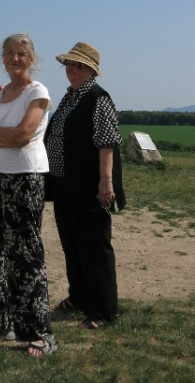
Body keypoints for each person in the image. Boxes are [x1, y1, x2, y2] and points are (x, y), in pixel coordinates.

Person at [0, 33, 57, 357]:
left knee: (26, 255)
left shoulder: (37, 92)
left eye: (21, 53)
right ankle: (1, 324)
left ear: (31, 59)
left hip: (27, 179)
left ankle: (41, 332)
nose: (15, 59)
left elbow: (25, 135)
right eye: (9, 53)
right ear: (3, 58)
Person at [45, 41, 125, 329]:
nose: (71, 69)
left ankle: (103, 311)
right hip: (64, 186)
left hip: (89, 187)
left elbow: (107, 144)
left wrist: (105, 183)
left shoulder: (98, 99)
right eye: (69, 64)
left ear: (91, 69)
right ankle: (79, 297)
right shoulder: (69, 98)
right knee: (73, 245)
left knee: (94, 249)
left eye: (77, 65)